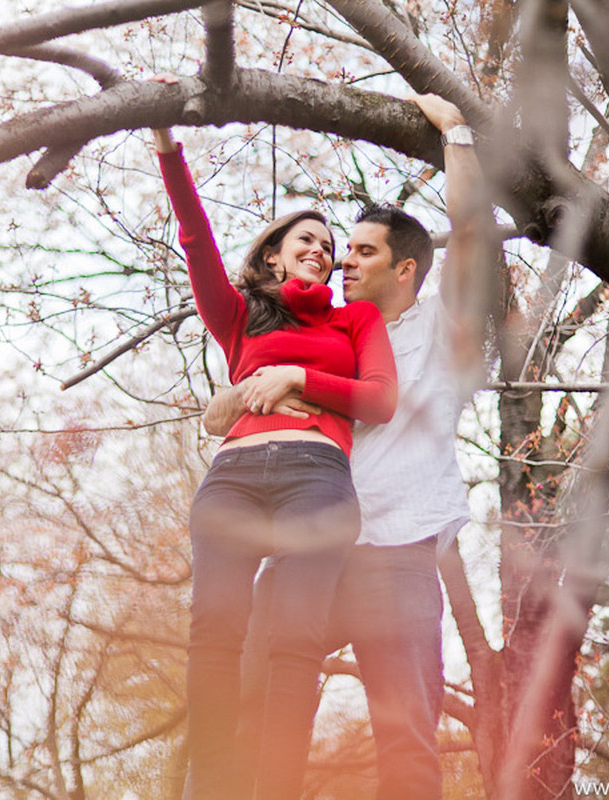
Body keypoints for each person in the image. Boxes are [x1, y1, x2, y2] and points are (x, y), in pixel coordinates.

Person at [202, 93, 492, 799]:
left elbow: (474, 236)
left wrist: (456, 133)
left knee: (405, 737)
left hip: (396, 554)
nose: (343, 263)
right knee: (252, 701)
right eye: (343, 250)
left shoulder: (443, 327)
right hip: (309, 545)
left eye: (363, 252)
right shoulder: (324, 329)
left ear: (406, 269)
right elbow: (239, 407)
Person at [150, 121, 399, 800]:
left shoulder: (354, 322)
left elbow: (380, 400)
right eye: (306, 241)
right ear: (273, 257)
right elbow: (196, 241)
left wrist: (297, 378)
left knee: (295, 639)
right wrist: (168, 148)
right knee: (215, 632)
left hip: (316, 481)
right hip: (232, 480)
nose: (321, 250)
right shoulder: (240, 318)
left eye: (329, 246)